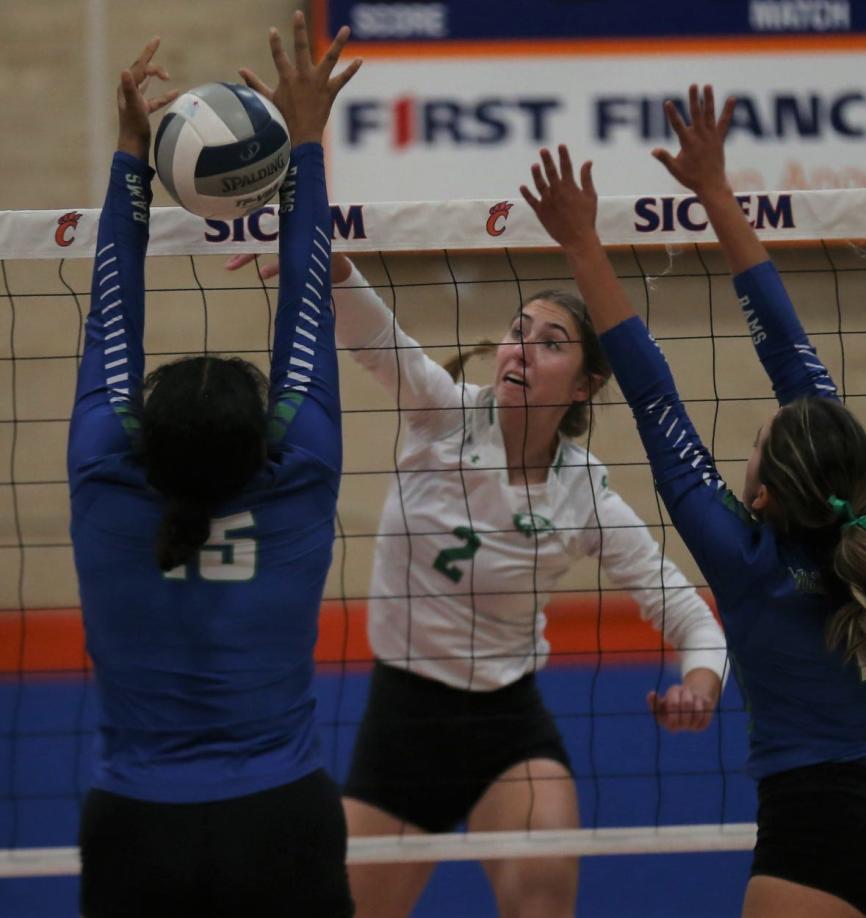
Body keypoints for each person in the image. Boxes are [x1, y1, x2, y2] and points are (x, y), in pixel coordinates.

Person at [520, 87, 866, 917]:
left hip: (816, 844)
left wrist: (582, 245)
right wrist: (716, 193)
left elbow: (655, 399)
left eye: (758, 439)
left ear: (757, 496)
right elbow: (792, 354)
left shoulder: (750, 563)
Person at [325, 251, 728, 917]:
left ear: (583, 386)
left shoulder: (585, 492)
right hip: (404, 723)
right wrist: (327, 261)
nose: (522, 349)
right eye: (518, 331)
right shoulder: (442, 415)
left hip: (507, 727)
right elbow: (376, 336)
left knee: (542, 899)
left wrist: (700, 684)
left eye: (550, 343)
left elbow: (692, 618)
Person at [70, 15, 360, 917]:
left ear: (140, 434)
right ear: (259, 438)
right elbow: (310, 300)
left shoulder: (108, 484)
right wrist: (306, 142)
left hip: (136, 831)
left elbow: (113, 313)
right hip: (282, 823)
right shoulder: (298, 471)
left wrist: (130, 150)